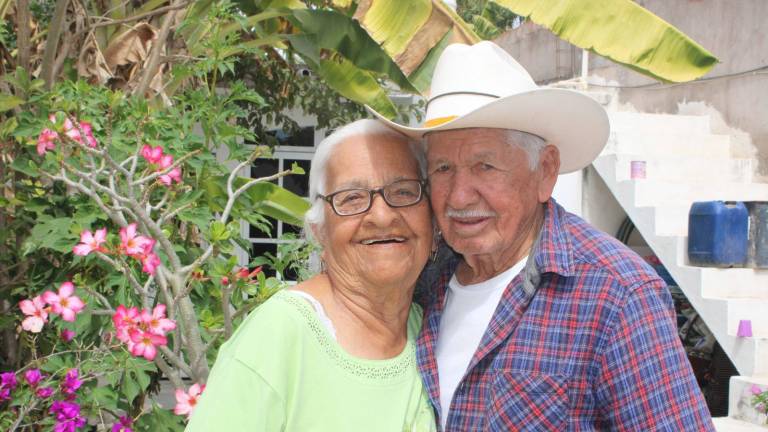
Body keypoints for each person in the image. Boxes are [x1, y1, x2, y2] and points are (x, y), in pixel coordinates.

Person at [370, 41, 715, 431]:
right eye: (444, 168)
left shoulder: (617, 294)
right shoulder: (423, 277)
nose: (459, 195)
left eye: (485, 166)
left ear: (546, 171)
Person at [187, 119, 437, 431]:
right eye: (352, 198)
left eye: (403, 191)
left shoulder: (430, 327)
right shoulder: (279, 335)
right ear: (319, 230)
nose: (383, 215)